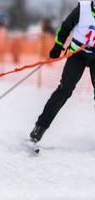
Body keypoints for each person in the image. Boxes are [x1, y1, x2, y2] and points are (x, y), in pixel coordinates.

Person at [29, 0, 95, 145]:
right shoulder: (83, 9)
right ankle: (39, 127)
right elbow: (65, 27)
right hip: (77, 54)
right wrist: (58, 46)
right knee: (65, 89)